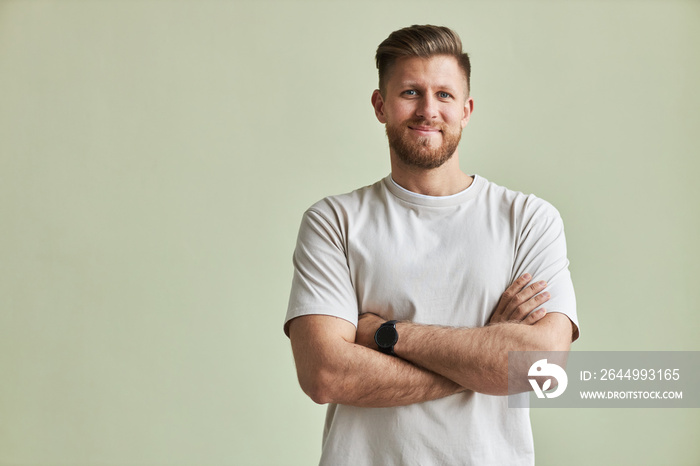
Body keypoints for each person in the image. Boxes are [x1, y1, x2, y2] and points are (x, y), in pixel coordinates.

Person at [283, 24, 579, 466]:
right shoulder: (334, 222)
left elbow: (542, 366)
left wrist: (385, 335)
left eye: (444, 94)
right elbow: (324, 375)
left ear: (466, 109)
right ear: (380, 106)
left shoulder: (527, 219)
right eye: (409, 93)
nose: (428, 110)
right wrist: (485, 357)